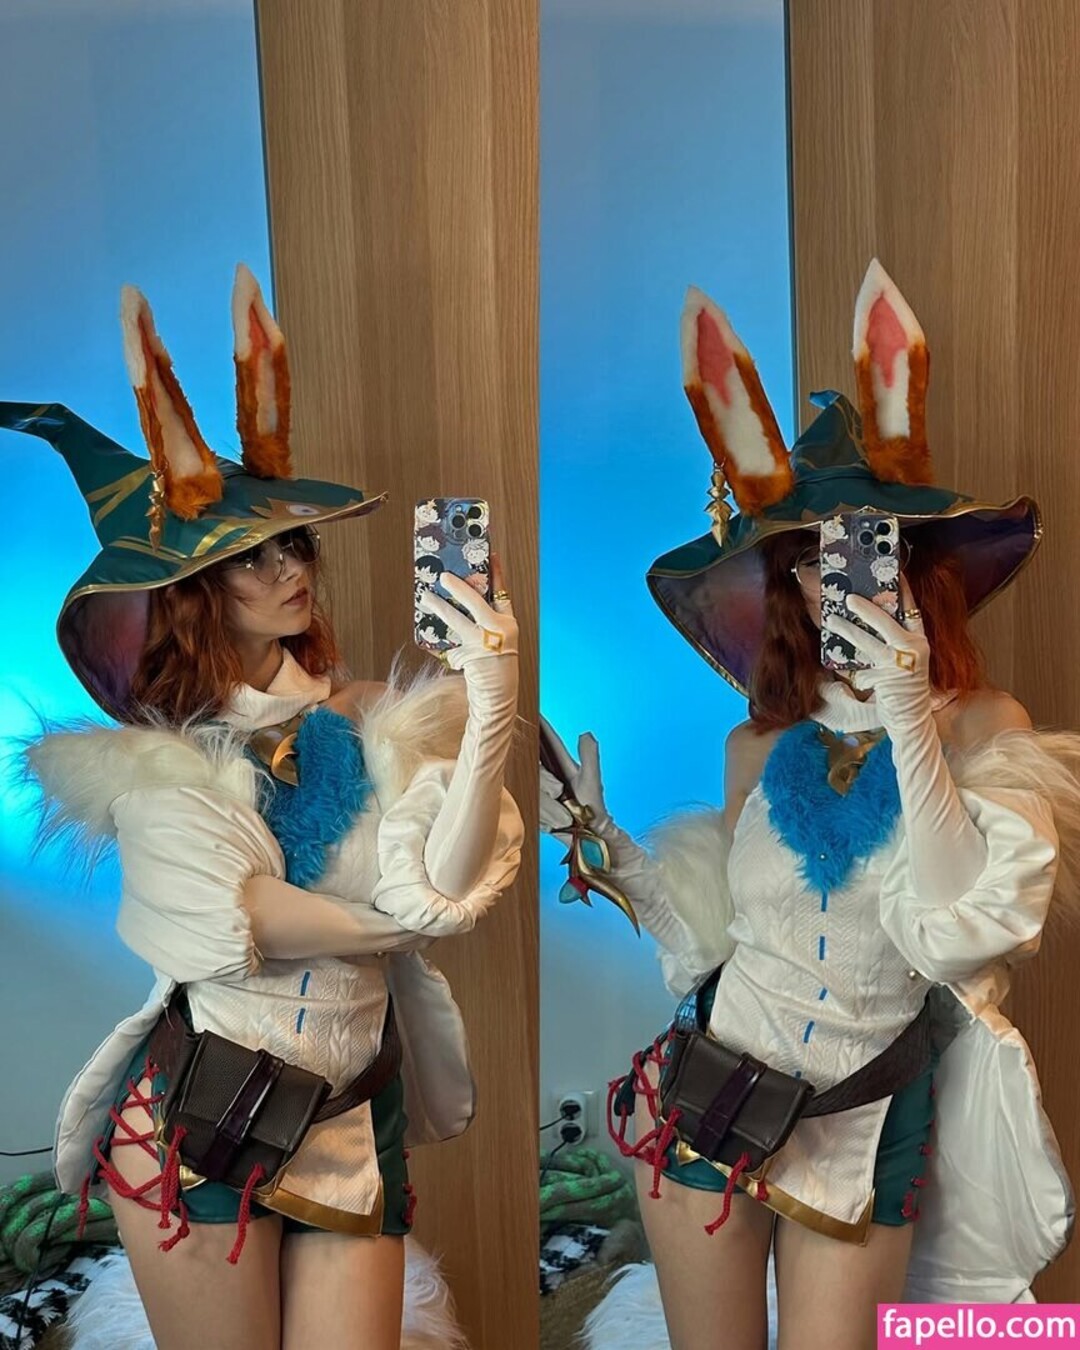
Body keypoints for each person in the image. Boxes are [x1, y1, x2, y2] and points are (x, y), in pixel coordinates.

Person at [541, 261, 1079, 1349]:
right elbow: (718, 946)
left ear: (916, 566)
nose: (843, 585)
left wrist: (910, 715)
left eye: (867, 553)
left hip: (863, 1114)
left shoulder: (986, 727)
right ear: (784, 584)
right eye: (812, 562)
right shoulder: (757, 744)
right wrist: (607, 844)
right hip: (709, 1094)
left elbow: (963, 928)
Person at [8, 264, 522, 1350]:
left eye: (297, 544)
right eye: (256, 555)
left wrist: (490, 703)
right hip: (202, 1114)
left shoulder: (379, 714)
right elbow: (245, 923)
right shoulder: (155, 765)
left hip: (351, 1107)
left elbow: (455, 879)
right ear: (193, 588)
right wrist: (406, 920)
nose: (293, 568)